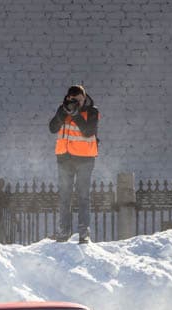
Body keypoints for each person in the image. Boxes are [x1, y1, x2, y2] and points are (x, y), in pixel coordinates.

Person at [49, 84, 100, 244]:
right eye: (74, 100)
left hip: (85, 160)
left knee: (83, 196)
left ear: (84, 98)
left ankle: (84, 233)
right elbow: (52, 128)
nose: (77, 102)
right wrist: (62, 114)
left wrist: (76, 114)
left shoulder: (92, 111)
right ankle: (63, 232)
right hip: (64, 159)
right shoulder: (63, 110)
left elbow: (88, 132)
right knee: (64, 196)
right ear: (68, 98)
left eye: (79, 99)